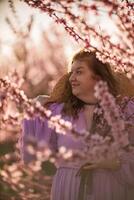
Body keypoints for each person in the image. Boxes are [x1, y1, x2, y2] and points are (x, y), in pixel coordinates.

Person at [20, 49, 134, 200]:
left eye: (79, 72)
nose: (71, 78)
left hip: (109, 189)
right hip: (67, 190)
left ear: (99, 77)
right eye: (71, 72)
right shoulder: (60, 112)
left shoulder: (125, 110)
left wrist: (115, 163)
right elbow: (32, 153)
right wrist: (35, 110)